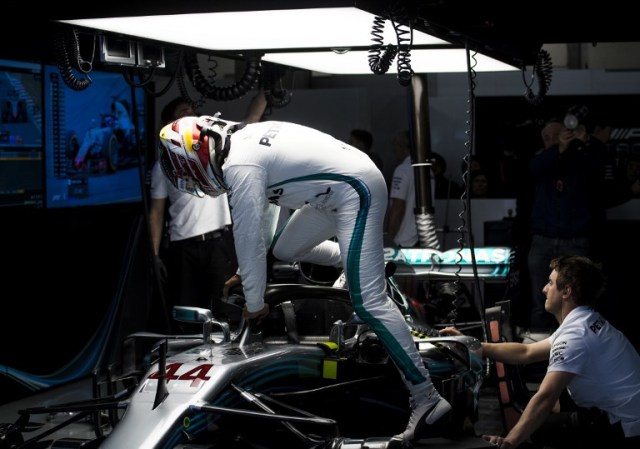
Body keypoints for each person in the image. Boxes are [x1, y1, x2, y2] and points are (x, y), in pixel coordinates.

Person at [158, 114, 452, 443]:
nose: (187, 177)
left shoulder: (240, 166)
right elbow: (265, 218)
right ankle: (361, 261)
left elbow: (249, 236)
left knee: (368, 302)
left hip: (356, 188)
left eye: (184, 168)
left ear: (195, 153)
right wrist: (247, 271)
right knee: (285, 248)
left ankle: (427, 397)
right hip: (332, 192)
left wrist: (254, 304)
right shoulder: (241, 144)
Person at [441, 255, 640, 449]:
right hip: (625, 415)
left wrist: (510, 441)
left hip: (625, 428)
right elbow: (526, 352)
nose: (544, 289)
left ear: (566, 292)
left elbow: (546, 397)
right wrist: (474, 345)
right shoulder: (584, 322)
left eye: (550, 283)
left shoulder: (576, 336)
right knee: (545, 410)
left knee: (540, 427)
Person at [149, 93, 266, 328]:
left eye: (193, 111)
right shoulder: (164, 165)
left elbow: (249, 123)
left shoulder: (215, 150)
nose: (192, 114)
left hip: (218, 243)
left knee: (224, 305)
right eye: (185, 112)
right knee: (188, 312)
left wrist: (265, 92)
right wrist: (154, 255)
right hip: (184, 247)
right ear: (172, 124)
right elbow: (156, 213)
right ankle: (190, 359)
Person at [526, 113, 607, 332]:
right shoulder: (541, 158)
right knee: (540, 296)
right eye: (549, 136)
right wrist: (558, 149)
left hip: (576, 240)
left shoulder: (582, 157)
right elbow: (533, 169)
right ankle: (538, 346)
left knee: (579, 295)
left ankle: (579, 338)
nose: (554, 139)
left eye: (559, 134)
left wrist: (584, 141)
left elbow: (600, 166)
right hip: (544, 238)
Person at [386, 130, 419, 248]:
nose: (394, 150)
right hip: (422, 237)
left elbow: (398, 207)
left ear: (402, 147)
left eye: (395, 145)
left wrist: (389, 240)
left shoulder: (403, 170)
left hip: (402, 241)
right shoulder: (427, 171)